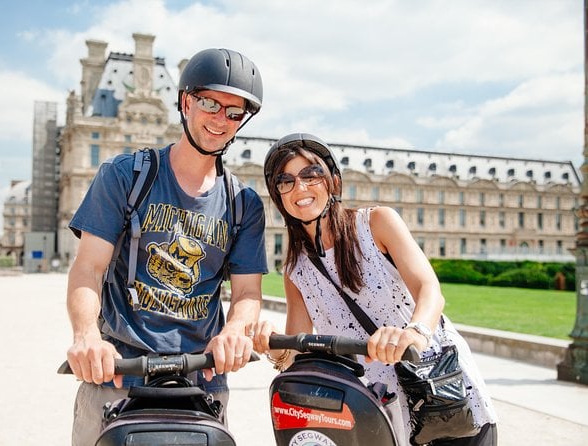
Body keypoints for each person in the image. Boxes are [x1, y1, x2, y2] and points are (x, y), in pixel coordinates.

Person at [65, 48, 267, 445]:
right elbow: (88, 268)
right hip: (120, 370)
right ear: (186, 102)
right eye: (211, 103)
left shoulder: (245, 203)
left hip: (202, 378)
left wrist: (235, 329)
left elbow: (247, 292)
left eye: (234, 112)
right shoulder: (125, 176)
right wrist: (86, 335)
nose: (221, 119)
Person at [250, 133, 498, 445]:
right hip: (378, 411)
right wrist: (272, 343)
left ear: (333, 183)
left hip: (440, 396)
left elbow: (428, 288)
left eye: (310, 175)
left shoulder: (376, 223)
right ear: (279, 196)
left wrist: (414, 333)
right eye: (285, 181)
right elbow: (299, 359)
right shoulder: (296, 268)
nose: (300, 187)